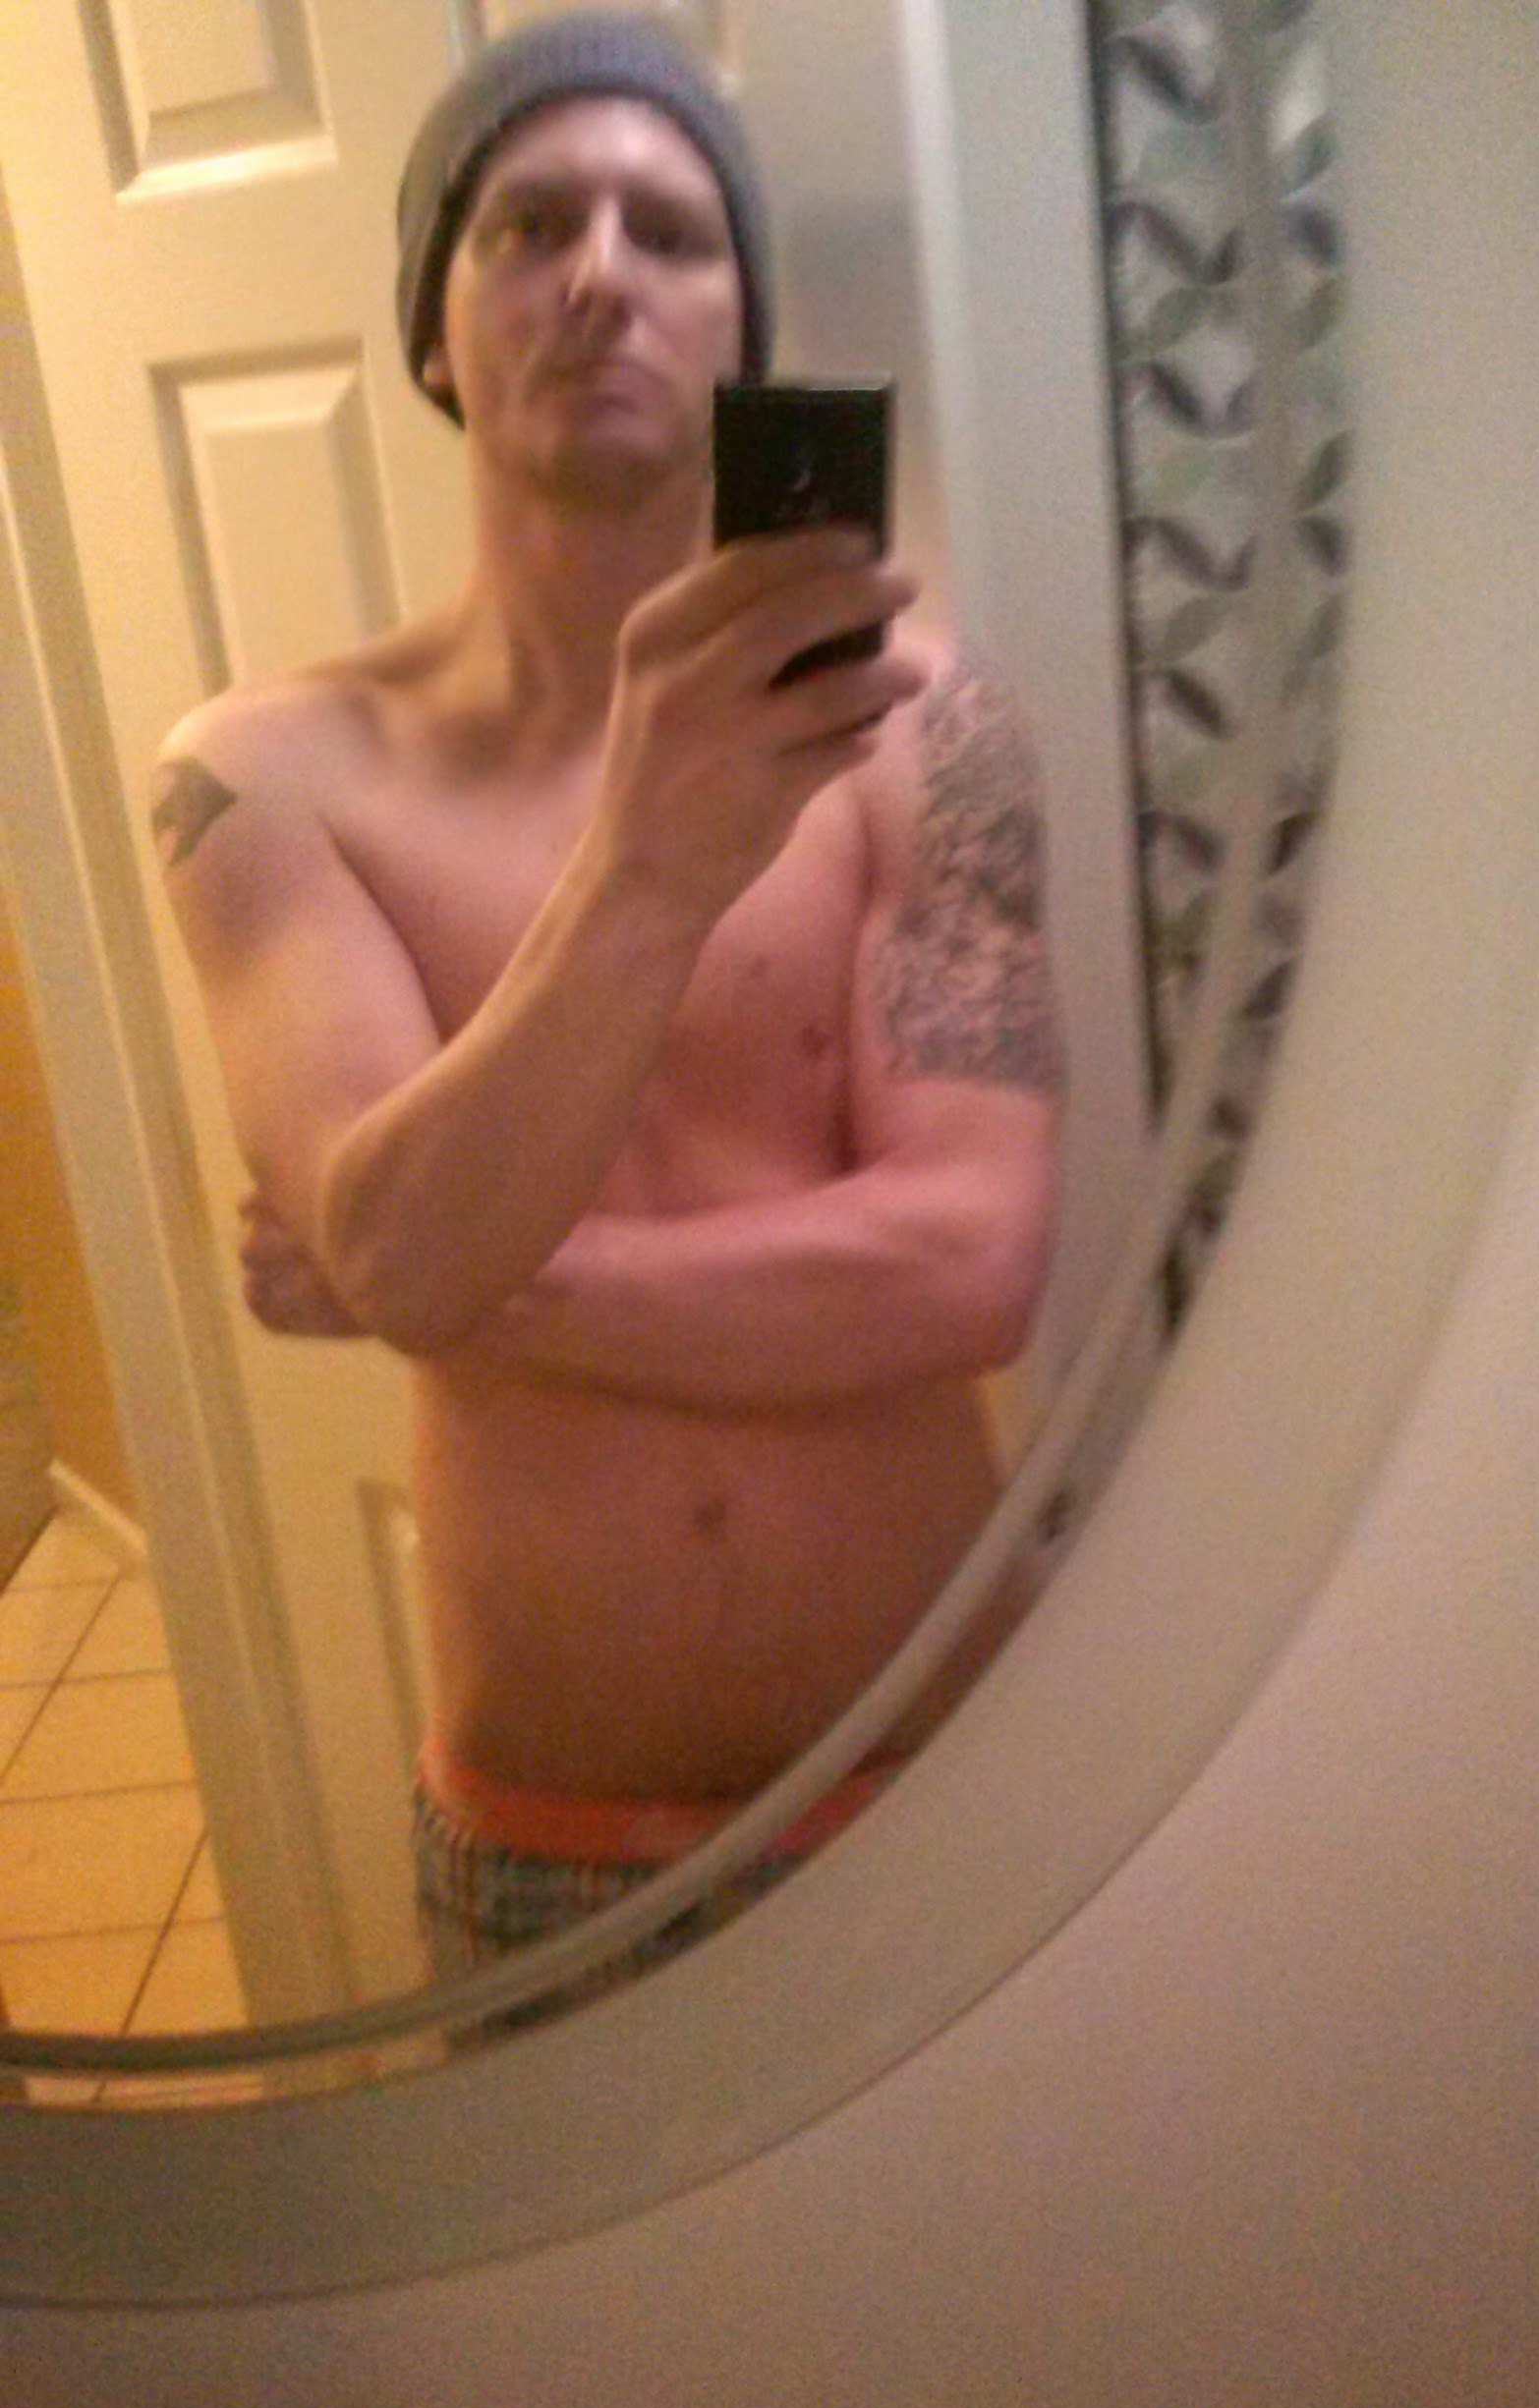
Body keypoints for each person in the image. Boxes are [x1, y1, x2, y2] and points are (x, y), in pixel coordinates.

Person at [148, 14, 1061, 1982]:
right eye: (528, 226)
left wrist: (472, 1278)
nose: (597, 276)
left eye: (669, 232)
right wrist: (649, 858)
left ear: (745, 326)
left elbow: (975, 1260)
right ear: (433, 327)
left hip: (955, 1781)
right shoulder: (265, 781)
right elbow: (408, 1246)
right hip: (554, 1854)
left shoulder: (926, 721)